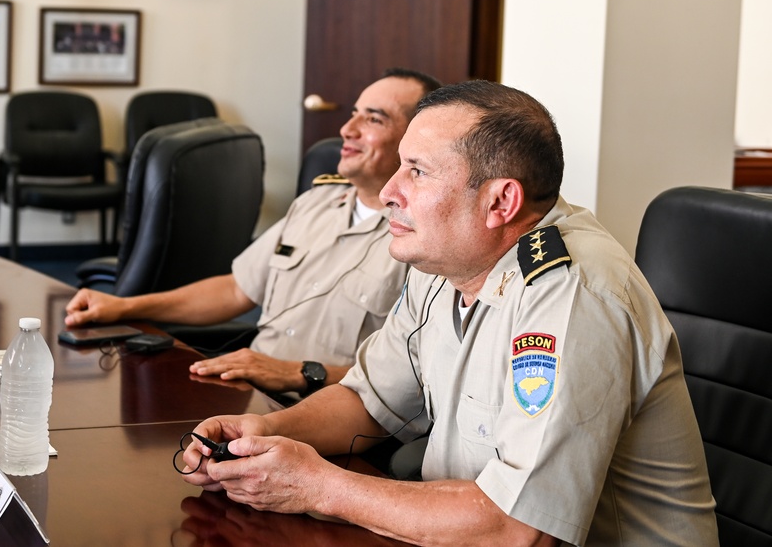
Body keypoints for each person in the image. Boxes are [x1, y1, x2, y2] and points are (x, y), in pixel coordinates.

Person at [180, 80, 718, 546]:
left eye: (417, 171)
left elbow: (518, 529)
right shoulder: (443, 260)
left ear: (500, 203)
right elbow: (370, 401)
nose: (390, 192)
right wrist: (263, 434)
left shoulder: (573, 292)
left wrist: (317, 485)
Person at [66, 68, 442, 397]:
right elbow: (236, 289)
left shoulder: (424, 241)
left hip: (327, 409)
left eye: (373, 119)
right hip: (246, 392)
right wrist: (124, 306)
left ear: (415, 141)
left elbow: (414, 377)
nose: (347, 129)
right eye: (353, 114)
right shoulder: (316, 203)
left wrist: (299, 374)